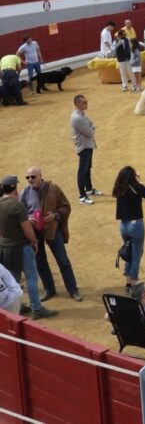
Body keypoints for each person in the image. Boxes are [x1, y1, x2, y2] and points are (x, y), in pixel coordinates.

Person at [20, 167, 81, 302]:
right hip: (34, 232)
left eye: (33, 177)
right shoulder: (24, 192)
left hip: (52, 230)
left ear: (40, 176)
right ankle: (49, 289)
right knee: (40, 262)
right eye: (27, 177)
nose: (30, 179)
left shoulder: (53, 189)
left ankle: (73, 290)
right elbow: (21, 212)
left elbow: (66, 206)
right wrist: (29, 218)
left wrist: (56, 215)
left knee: (63, 261)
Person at [0, 175, 57, 319]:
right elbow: (27, 229)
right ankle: (36, 308)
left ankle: (17, 306)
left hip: (6, 248)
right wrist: (34, 241)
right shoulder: (17, 205)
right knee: (31, 277)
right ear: (14, 188)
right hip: (21, 247)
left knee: (13, 278)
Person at [112, 167, 145, 292]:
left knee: (129, 253)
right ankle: (133, 284)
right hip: (135, 226)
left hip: (123, 226)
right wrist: (141, 182)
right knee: (136, 255)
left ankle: (128, 284)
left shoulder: (119, 188)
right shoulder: (136, 187)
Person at [70, 95, 99, 205]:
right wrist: (92, 128)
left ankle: (89, 189)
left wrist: (91, 127)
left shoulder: (81, 114)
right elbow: (90, 131)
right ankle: (82, 196)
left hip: (87, 144)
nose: (86, 104)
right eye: (84, 103)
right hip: (84, 146)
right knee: (82, 170)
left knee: (87, 168)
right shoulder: (77, 118)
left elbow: (91, 124)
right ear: (77, 104)